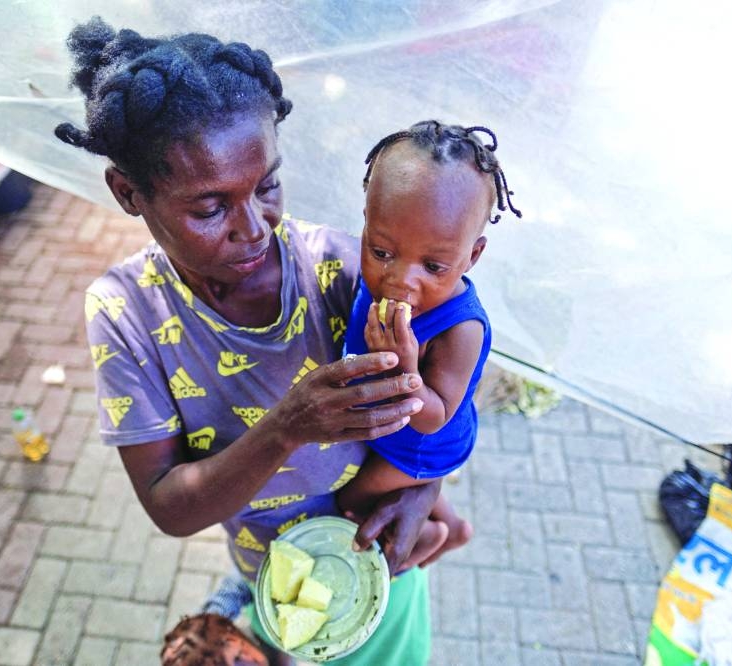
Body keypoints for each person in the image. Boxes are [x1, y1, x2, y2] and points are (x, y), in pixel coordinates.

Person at [55, 17, 449, 665]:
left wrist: (427, 485)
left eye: (267, 185)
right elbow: (170, 507)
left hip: (379, 566)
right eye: (210, 208)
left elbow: (442, 399)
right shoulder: (127, 313)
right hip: (268, 575)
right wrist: (286, 427)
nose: (254, 227)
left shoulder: (342, 273)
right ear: (129, 192)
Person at [337, 120, 521, 567]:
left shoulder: (461, 329)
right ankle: (454, 527)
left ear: (472, 256)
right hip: (389, 429)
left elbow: (434, 416)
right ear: (366, 225)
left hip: (420, 445)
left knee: (351, 499)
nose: (401, 280)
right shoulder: (371, 275)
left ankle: (426, 545)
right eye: (382, 252)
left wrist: (405, 369)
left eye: (434, 266)